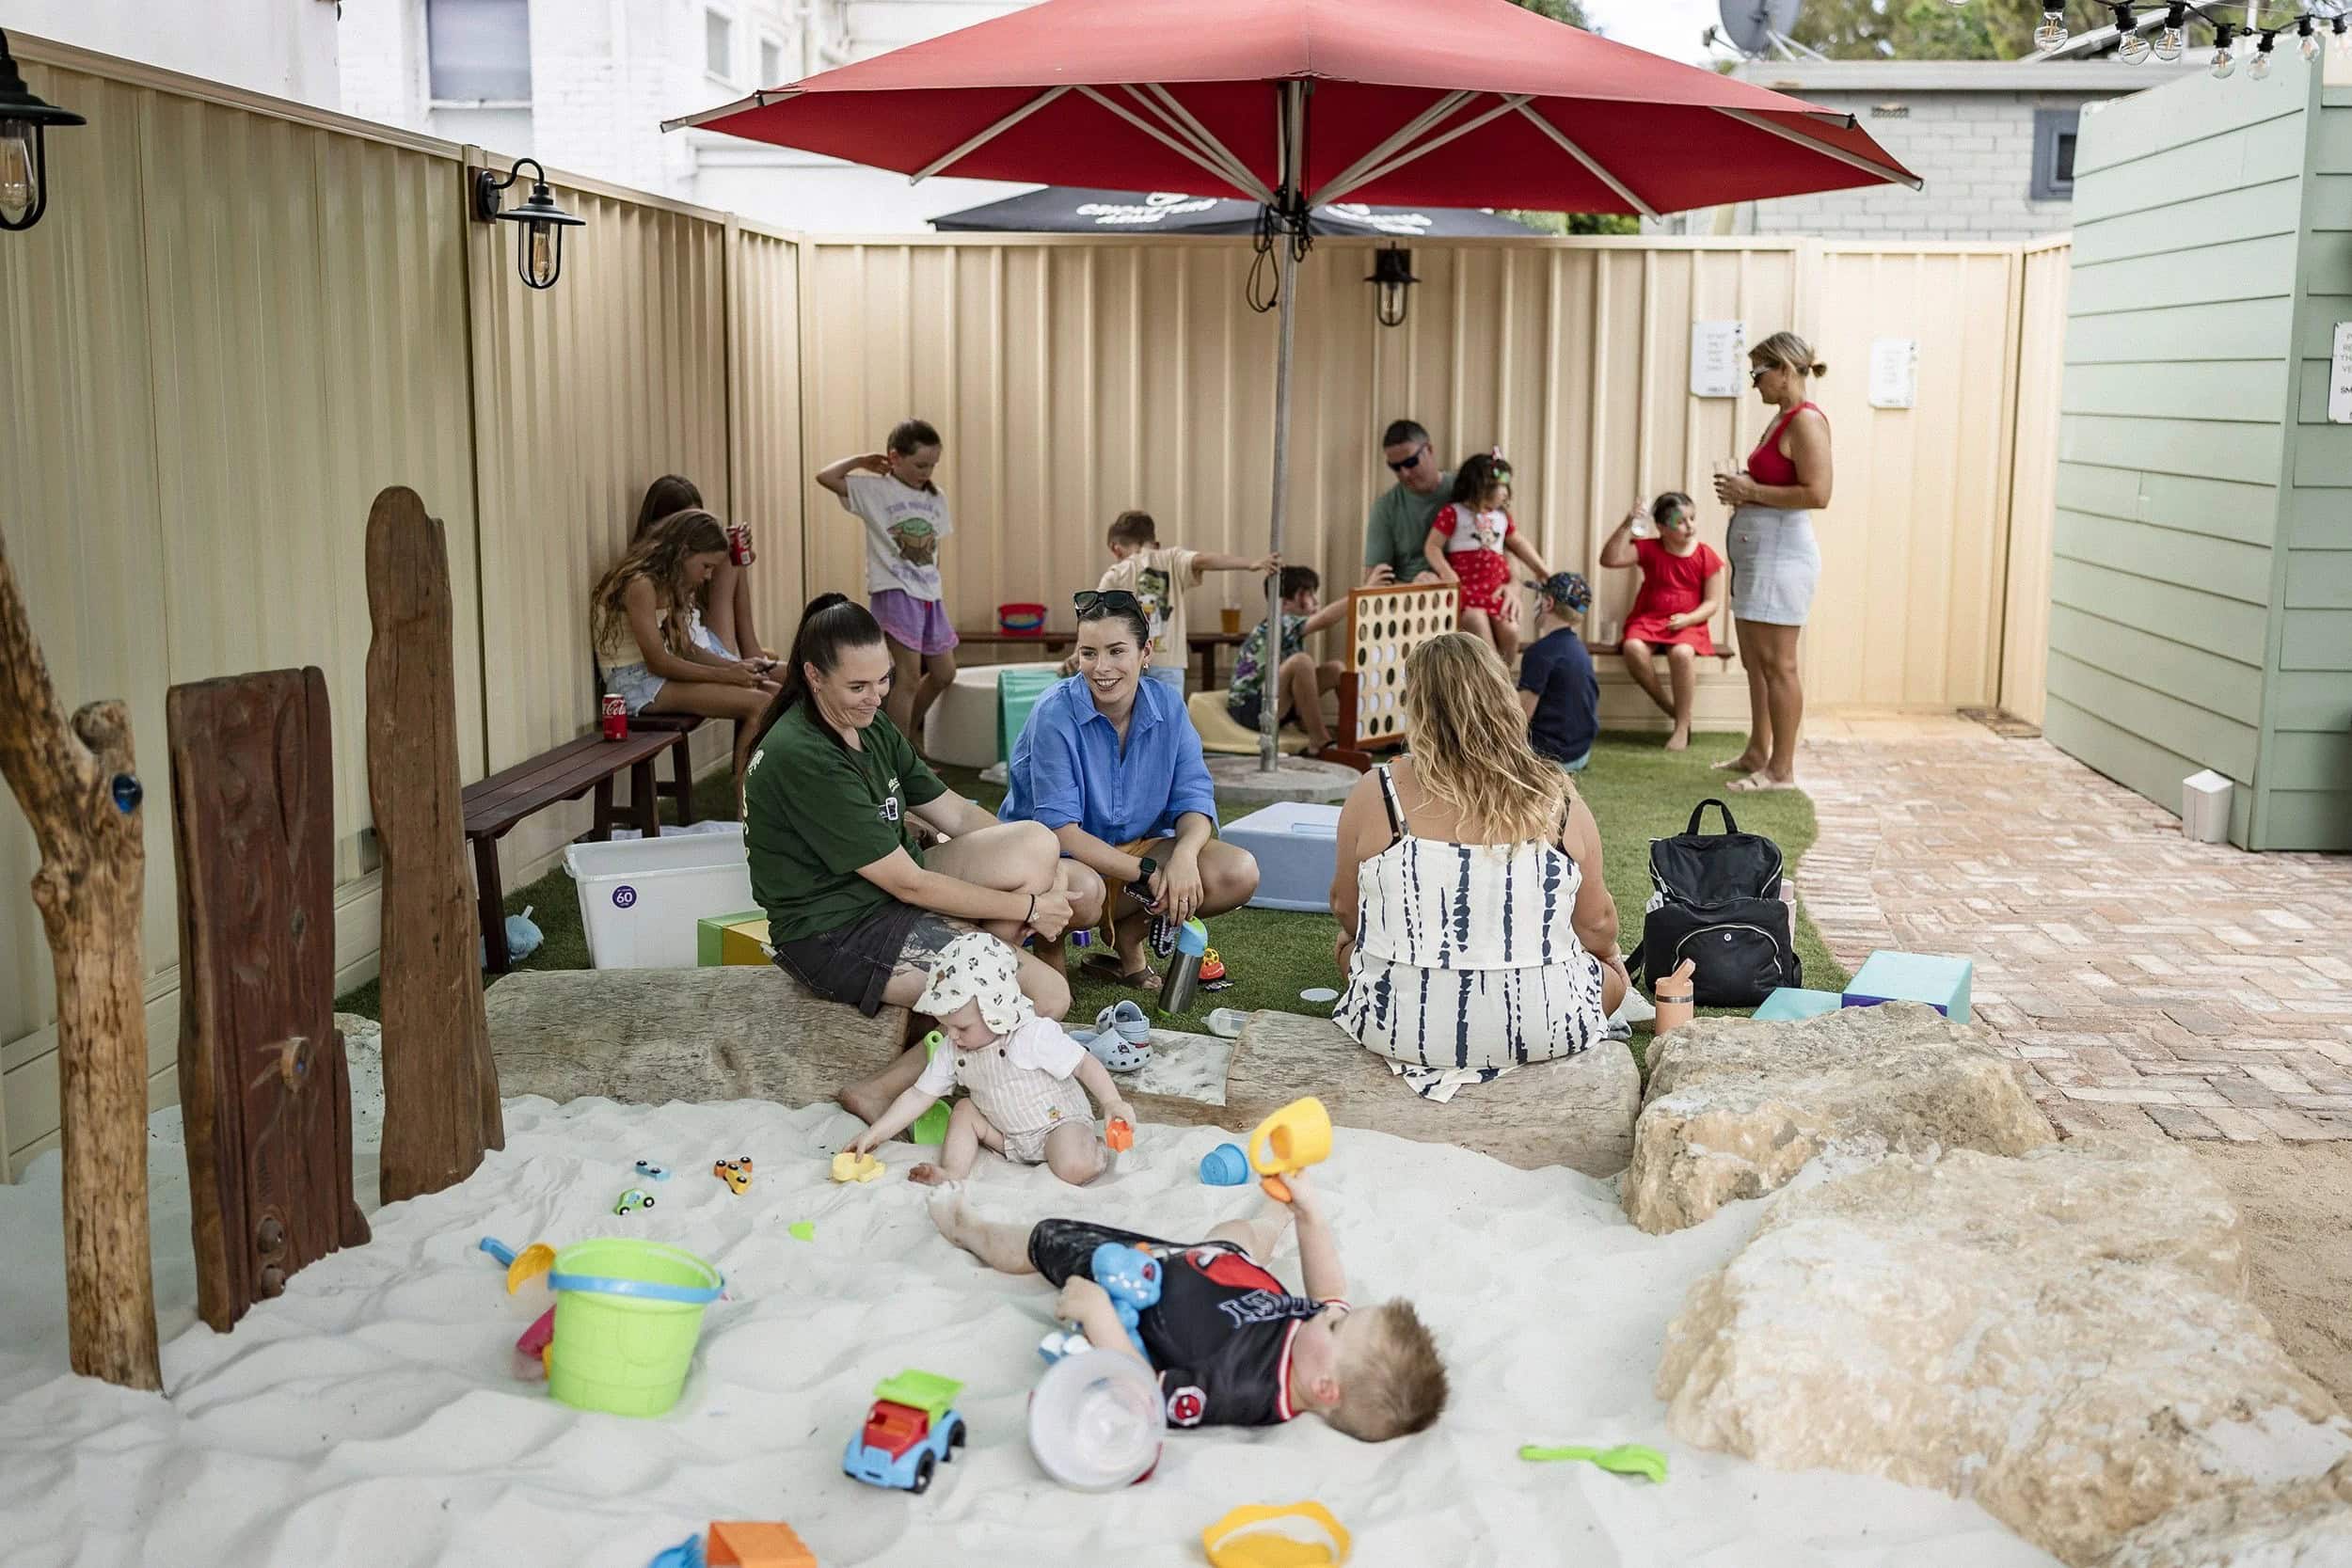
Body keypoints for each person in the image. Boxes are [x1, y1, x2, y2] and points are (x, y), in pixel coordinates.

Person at [742, 594, 1105, 1126]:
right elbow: (909, 884)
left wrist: (1047, 875)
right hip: (836, 929)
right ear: (814, 676)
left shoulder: (866, 722)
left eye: (884, 680)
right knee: (1047, 996)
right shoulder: (804, 754)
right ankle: (882, 1086)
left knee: (1039, 848)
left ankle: (975, 976)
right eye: (858, 687)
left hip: (884, 895)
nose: (876, 697)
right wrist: (1030, 907)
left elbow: (955, 812)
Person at [930, 1171, 1447, 1439]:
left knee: (1045, 1240)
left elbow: (1146, 1396)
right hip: (1222, 1268)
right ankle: (1277, 1215)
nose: (1332, 1313)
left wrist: (1101, 1316)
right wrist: (1310, 1215)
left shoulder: (1240, 1389)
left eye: (1337, 1327)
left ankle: (967, 1230)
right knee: (1245, 1234)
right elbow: (1331, 1292)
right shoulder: (1317, 1344)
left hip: (1142, 1280)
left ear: (1324, 1388)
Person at [1330, 633, 1629, 1087]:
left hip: (1398, 1030)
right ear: (1502, 698)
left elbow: (1345, 908)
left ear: (1418, 708)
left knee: (1346, 945)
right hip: (1548, 1029)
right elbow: (1598, 924)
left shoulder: (1377, 790)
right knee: (1611, 975)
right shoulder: (1557, 794)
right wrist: (1609, 961)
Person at [1002, 591, 1262, 990]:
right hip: (1057, 864)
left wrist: (1184, 857)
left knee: (1238, 871)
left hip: (1134, 855)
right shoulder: (1053, 713)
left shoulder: (1169, 706)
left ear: (1146, 652)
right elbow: (1061, 832)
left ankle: (1130, 936)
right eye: (1089, 653)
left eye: (1116, 651)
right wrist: (1148, 873)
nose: (1101, 668)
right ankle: (1049, 952)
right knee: (1084, 890)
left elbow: (1194, 799)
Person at [846, 931, 1136, 1187]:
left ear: (995, 1013)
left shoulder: (1030, 1035)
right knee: (964, 1110)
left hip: (1058, 1125)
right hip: (1009, 1138)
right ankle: (953, 1171)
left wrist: (1111, 1101)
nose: (952, 1035)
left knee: (1073, 1167)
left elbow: (1083, 1063)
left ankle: (1094, 1150)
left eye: (962, 1027)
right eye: (946, 1026)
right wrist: (876, 1134)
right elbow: (920, 1095)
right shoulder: (953, 1049)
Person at [1712, 331, 1833, 792]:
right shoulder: (1780, 419)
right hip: (1758, 557)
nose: (1754, 383)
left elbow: (1818, 494)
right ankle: (1757, 751)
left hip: (1782, 558)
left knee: (1779, 664)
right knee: (1755, 661)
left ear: (1784, 370)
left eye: (1758, 373)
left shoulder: (1806, 421)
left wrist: (1751, 490)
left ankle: (1781, 770)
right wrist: (1746, 488)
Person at [588, 509, 778, 782]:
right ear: (684, 552)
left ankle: (761, 795)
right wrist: (727, 675)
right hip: (633, 683)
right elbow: (658, 662)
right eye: (706, 566)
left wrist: (739, 667)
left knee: (771, 693)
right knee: (761, 704)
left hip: (656, 677)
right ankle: (744, 803)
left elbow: (685, 648)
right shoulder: (640, 584)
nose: (709, 576)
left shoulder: (671, 582)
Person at [816, 420, 959, 742]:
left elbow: (935, 551)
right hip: (895, 591)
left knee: (944, 673)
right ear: (894, 457)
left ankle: (902, 742)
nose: (927, 472)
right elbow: (826, 477)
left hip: (929, 595)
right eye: (920, 465)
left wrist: (934, 588)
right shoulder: (875, 490)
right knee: (907, 677)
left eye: (932, 465)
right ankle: (899, 755)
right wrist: (860, 461)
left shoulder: (936, 497)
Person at [1085, 510, 1278, 696]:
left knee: (1128, 717)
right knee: (1170, 717)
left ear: (1115, 548)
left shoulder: (1116, 574)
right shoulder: (1172, 559)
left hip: (1127, 663)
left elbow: (1093, 621)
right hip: (1169, 663)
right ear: (1156, 544)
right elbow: (1203, 560)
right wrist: (1251, 564)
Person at [1598, 493, 1725, 752]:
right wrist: (1626, 523)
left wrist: (1688, 619)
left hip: (1689, 623)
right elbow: (1609, 560)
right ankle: (1672, 709)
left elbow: (1712, 603)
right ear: (1662, 528)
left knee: (1682, 653)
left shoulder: (1705, 555)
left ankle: (1682, 726)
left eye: (1692, 518)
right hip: (1649, 619)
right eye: (1681, 521)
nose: (1690, 526)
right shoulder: (1649, 549)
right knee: (1633, 647)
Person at [1423, 451, 1549, 663]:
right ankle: (1490, 676)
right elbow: (1432, 547)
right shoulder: (1453, 513)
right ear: (1479, 489)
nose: (1505, 495)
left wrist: (1541, 570)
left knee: (1510, 630)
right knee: (1476, 625)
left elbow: (1518, 543)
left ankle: (1505, 677)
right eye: (1501, 489)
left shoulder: (1502, 517)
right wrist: (1447, 573)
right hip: (1467, 592)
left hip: (1495, 592)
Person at [632, 473, 767, 667]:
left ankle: (755, 655)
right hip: (697, 653)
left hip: (708, 639)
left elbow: (704, 591)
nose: (692, 529)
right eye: (685, 522)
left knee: (729, 554)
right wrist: (730, 670)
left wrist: (741, 551)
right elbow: (680, 650)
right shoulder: (650, 577)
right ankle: (756, 663)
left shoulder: (687, 563)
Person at [1225, 566, 1346, 756]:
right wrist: (1360, 594)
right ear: (1284, 602)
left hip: (1277, 703)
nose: (1315, 601)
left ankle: (1352, 736)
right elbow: (1325, 619)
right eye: (1308, 595)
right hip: (1249, 711)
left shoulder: (1291, 630)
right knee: (1301, 662)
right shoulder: (1277, 623)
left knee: (1336, 669)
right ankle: (1319, 740)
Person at [1518, 572, 1599, 773]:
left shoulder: (1540, 652)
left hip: (1550, 759)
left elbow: (1521, 716)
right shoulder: (1579, 649)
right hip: (1581, 753)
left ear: (1548, 603)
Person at [1361, 419, 1451, 588]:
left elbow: (1501, 540)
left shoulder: (1467, 489)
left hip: (1470, 593)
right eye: (1395, 467)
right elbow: (1374, 580)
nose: (1405, 473)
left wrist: (1507, 583)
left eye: (1410, 462)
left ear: (1429, 450)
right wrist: (1411, 589)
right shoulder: (1386, 508)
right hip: (1411, 598)